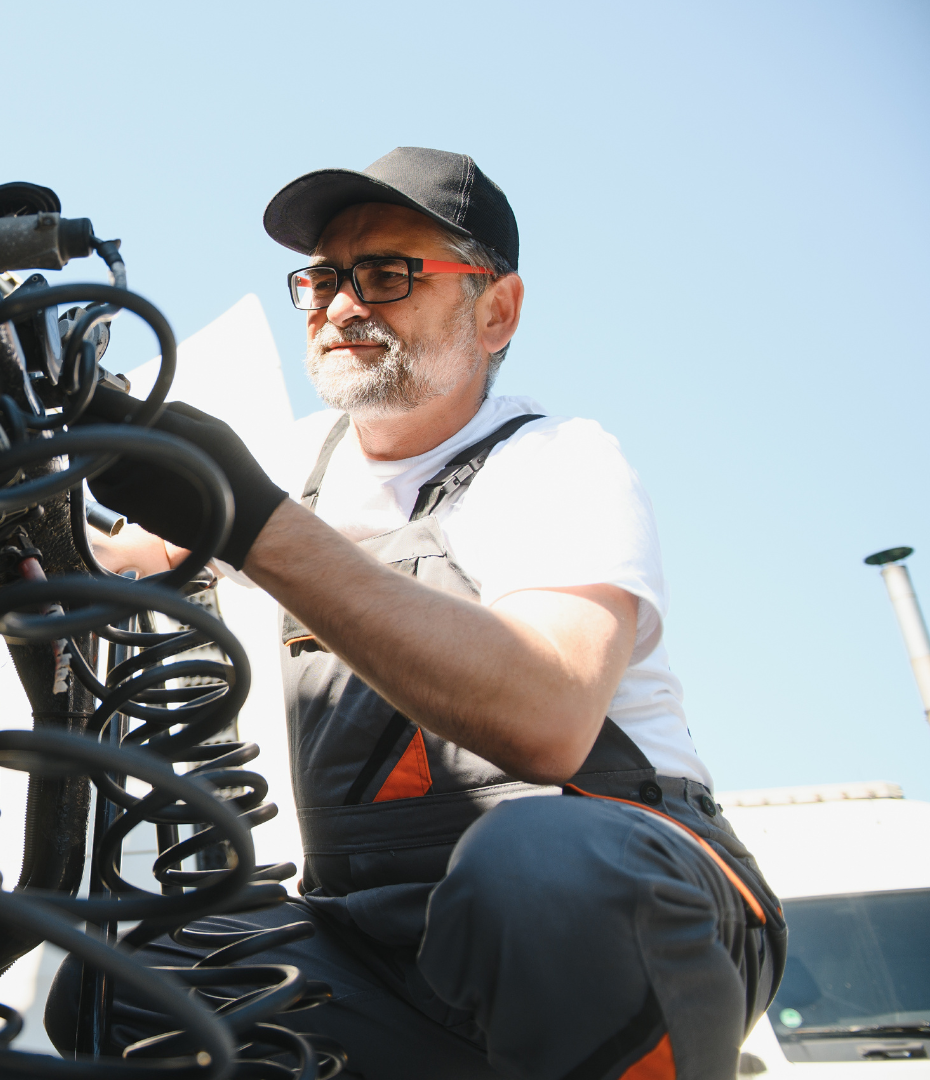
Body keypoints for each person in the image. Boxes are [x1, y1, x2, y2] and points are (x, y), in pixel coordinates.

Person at [70, 148, 785, 1079]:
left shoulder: (556, 462)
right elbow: (110, 561)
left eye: (386, 274)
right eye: (324, 278)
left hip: (628, 909)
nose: (342, 304)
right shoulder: (296, 468)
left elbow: (551, 714)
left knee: (533, 871)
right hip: (385, 949)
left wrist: (253, 523)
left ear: (497, 312)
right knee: (134, 984)